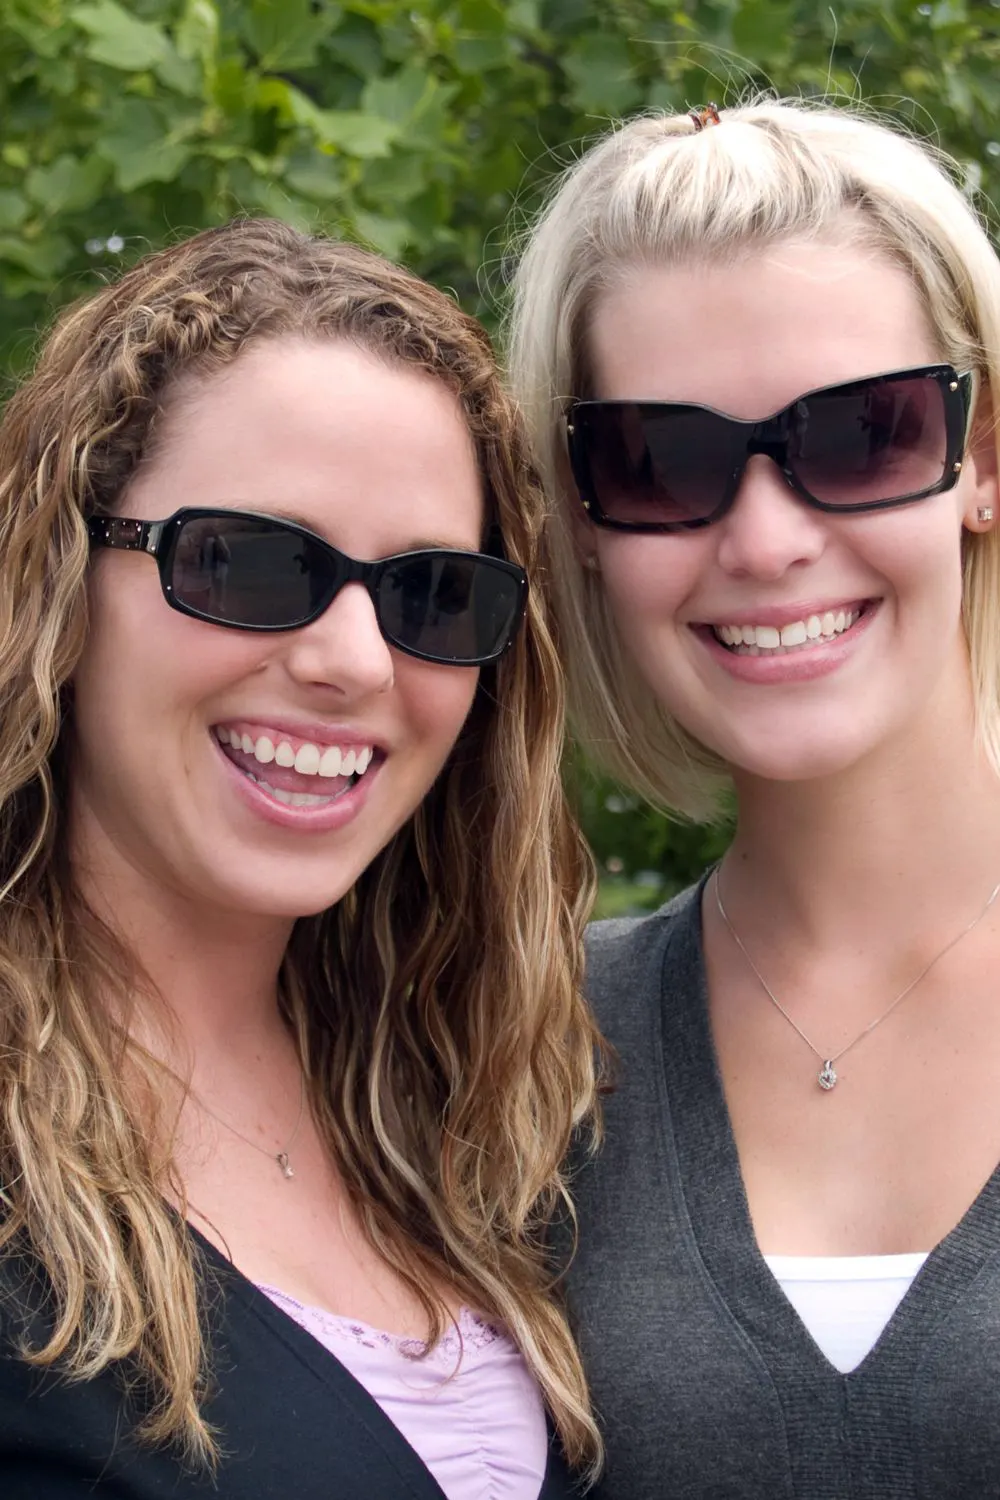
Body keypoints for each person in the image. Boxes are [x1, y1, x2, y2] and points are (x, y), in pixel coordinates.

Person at [0, 217, 604, 1498]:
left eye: (433, 592)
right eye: (249, 563)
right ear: (62, 571)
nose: (352, 662)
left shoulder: (470, 1109)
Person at [508, 98, 1000, 1497]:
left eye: (864, 433)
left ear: (981, 461)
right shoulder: (522, 1054)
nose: (770, 540)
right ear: (584, 524)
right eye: (663, 462)